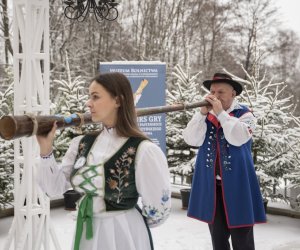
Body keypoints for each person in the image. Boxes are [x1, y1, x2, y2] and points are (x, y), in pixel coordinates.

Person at [36, 72, 171, 250]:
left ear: (118, 101)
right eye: (89, 96)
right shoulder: (82, 144)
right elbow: (53, 188)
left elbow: (158, 210)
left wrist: (124, 221)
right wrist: (46, 150)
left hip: (123, 234)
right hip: (87, 233)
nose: (88, 103)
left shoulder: (143, 150)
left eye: (95, 97)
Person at [183, 73, 266, 250]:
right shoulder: (204, 116)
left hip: (239, 186)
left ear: (233, 94)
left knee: (242, 240)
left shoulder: (245, 115)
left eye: (221, 91)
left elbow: (237, 137)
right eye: (212, 91)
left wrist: (221, 113)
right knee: (218, 240)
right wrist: (200, 115)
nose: (215, 95)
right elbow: (191, 139)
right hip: (213, 187)